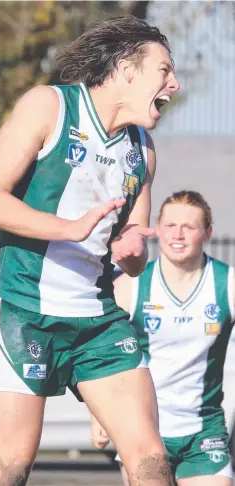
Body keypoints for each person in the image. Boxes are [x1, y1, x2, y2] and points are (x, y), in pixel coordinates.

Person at [0, 16, 180, 486]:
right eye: (164, 71)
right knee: (10, 469)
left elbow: (133, 253)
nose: (174, 84)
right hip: (25, 309)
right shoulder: (48, 106)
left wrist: (130, 253)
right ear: (127, 69)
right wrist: (68, 229)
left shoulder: (141, 151)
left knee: (150, 458)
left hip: (97, 319)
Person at [91, 190, 234, 485]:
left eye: (189, 227)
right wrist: (97, 414)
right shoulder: (132, 286)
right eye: (170, 226)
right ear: (157, 228)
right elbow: (95, 349)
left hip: (203, 432)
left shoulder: (227, 283)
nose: (177, 235)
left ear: (208, 232)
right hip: (142, 429)